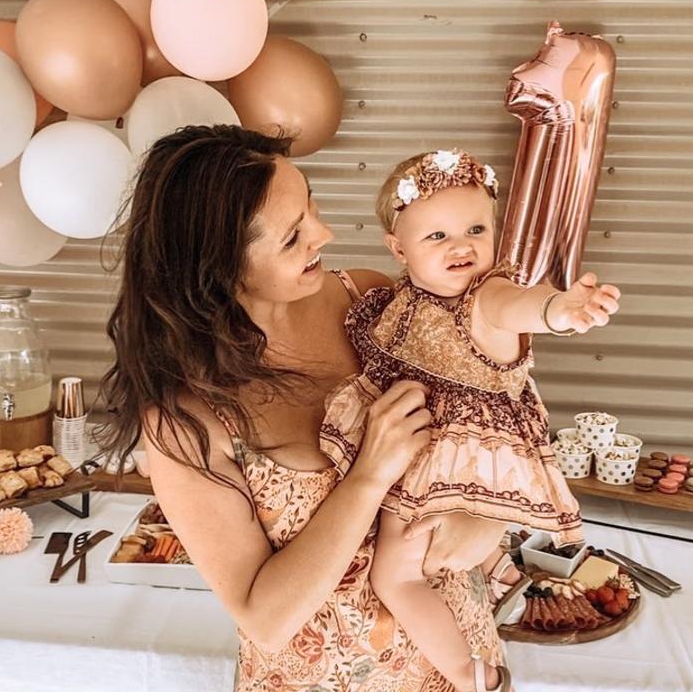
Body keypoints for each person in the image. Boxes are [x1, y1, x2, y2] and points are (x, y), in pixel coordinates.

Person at [99, 125, 508, 692]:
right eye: (292, 237)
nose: (325, 232)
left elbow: (483, 409)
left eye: (311, 204)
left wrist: (487, 514)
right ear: (218, 269)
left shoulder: (369, 300)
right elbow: (264, 619)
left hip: (461, 661)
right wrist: (367, 476)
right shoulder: (187, 420)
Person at [319, 149, 622, 692]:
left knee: (395, 573)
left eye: (476, 229)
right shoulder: (402, 297)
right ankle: (493, 566)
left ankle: (465, 669)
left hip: (452, 458)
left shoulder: (487, 295)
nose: (462, 246)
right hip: (418, 443)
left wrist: (561, 311)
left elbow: (522, 306)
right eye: (437, 236)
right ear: (399, 248)